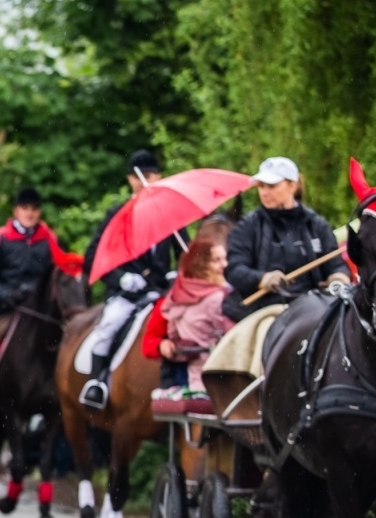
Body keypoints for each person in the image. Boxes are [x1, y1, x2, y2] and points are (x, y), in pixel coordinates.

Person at [79, 150, 178, 410]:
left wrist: (178, 273)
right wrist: (121, 278)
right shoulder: (117, 215)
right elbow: (92, 258)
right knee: (108, 327)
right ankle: (96, 383)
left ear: (159, 176)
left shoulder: (171, 216)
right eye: (140, 176)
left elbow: (186, 255)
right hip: (127, 295)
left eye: (151, 175)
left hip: (162, 294)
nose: (146, 180)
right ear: (130, 180)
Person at [0, 186, 61, 417]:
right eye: (25, 208)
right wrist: (6, 295)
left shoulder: (49, 239)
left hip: (39, 309)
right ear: (16, 210)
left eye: (34, 209)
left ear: (39, 212)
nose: (29, 213)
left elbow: (58, 273)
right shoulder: (1, 237)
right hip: (6, 305)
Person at [222, 156, 350, 321]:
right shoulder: (247, 227)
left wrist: (338, 277)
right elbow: (233, 269)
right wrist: (262, 279)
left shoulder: (317, 225)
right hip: (263, 311)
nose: (264, 192)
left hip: (314, 307)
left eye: (272, 186)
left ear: (293, 186)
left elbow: (335, 264)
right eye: (261, 186)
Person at [151, 224, 235, 395]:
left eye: (224, 259)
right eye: (216, 260)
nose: (224, 265)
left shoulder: (175, 298)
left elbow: (174, 334)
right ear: (202, 264)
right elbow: (233, 334)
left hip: (193, 376)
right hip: (222, 375)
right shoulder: (217, 298)